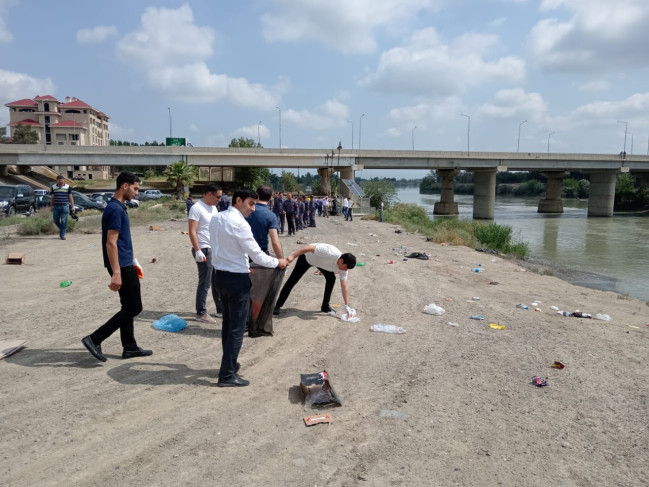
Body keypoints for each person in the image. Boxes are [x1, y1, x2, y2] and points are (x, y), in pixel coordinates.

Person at [209, 189, 289, 387]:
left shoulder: (217, 218)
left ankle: (230, 364)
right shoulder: (239, 223)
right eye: (250, 203)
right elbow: (257, 255)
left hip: (220, 277)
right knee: (236, 328)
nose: (253, 208)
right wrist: (278, 262)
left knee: (228, 324)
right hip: (237, 279)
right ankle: (227, 375)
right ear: (238, 201)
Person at [82, 171, 152, 362]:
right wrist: (117, 272)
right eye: (135, 188)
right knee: (134, 307)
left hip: (126, 263)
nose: (137, 193)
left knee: (127, 306)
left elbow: (121, 241)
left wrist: (134, 260)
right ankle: (94, 338)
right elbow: (110, 243)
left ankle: (129, 347)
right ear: (124, 186)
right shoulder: (114, 209)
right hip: (120, 266)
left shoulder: (119, 207)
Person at [245, 185, 285, 336]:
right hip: (260, 256)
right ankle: (256, 322)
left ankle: (244, 322)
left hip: (243, 254)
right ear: (271, 197)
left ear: (256, 195)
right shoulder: (269, 216)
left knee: (245, 289)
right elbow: (275, 241)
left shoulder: (246, 211)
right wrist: (280, 260)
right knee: (259, 290)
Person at [274, 243, 356, 316]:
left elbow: (344, 285)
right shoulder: (329, 252)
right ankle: (277, 306)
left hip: (321, 264)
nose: (345, 270)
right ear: (341, 261)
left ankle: (325, 306)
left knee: (331, 279)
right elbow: (308, 247)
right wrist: (292, 256)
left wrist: (346, 305)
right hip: (307, 258)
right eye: (345, 267)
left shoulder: (344, 269)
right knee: (292, 280)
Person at [188, 184, 222, 323]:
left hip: (214, 248)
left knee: (217, 281)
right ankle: (201, 313)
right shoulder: (197, 208)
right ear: (209, 194)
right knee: (205, 282)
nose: (219, 199)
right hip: (203, 249)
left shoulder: (213, 208)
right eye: (218, 196)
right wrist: (197, 250)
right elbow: (192, 231)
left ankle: (220, 309)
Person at [50, 175, 75, 240]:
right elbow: (52, 198)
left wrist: (72, 206)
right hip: (56, 206)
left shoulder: (67, 187)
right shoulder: (53, 187)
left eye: (61, 179)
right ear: (57, 180)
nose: (60, 181)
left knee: (64, 221)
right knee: (55, 220)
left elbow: (70, 197)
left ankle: (62, 235)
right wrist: (51, 206)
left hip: (65, 206)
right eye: (59, 179)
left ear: (64, 180)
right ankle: (62, 229)